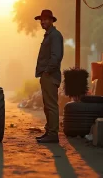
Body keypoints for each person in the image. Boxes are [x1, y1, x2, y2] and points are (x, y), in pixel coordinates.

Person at [34, 10, 64, 143]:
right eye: (42, 19)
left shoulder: (55, 36)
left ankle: (53, 134)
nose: (43, 22)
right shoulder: (49, 35)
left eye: (46, 19)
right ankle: (49, 131)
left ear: (52, 21)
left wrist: (47, 71)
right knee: (47, 105)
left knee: (51, 105)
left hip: (50, 75)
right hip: (47, 74)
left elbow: (56, 56)